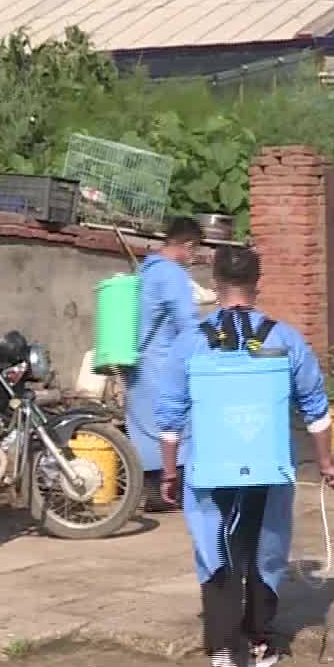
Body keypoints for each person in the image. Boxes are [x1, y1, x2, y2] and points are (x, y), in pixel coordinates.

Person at [155, 245, 334, 667]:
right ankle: (259, 641)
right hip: (269, 466)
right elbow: (316, 411)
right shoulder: (287, 340)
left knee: (214, 552)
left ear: (215, 285)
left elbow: (169, 417)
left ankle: (222, 654)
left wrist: (170, 472)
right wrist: (326, 464)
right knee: (264, 550)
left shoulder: (190, 342)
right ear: (257, 285)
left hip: (209, 469)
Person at [125, 217, 205, 512]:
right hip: (163, 364)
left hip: (137, 364)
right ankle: (172, 492)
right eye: (194, 252)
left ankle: (152, 493)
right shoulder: (173, 275)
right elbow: (187, 324)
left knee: (143, 427)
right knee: (176, 426)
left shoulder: (144, 270)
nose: (193, 259)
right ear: (188, 245)